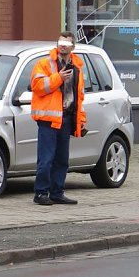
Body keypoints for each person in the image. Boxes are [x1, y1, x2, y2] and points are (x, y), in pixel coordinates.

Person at [30, 31, 87, 205]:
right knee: (46, 160)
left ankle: (57, 192)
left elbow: (79, 96)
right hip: (48, 119)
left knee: (62, 160)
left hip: (67, 118)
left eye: (67, 44)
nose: (63, 46)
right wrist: (58, 78)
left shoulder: (77, 67)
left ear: (72, 47)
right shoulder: (44, 64)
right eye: (61, 43)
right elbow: (37, 86)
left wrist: (81, 119)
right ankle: (41, 193)